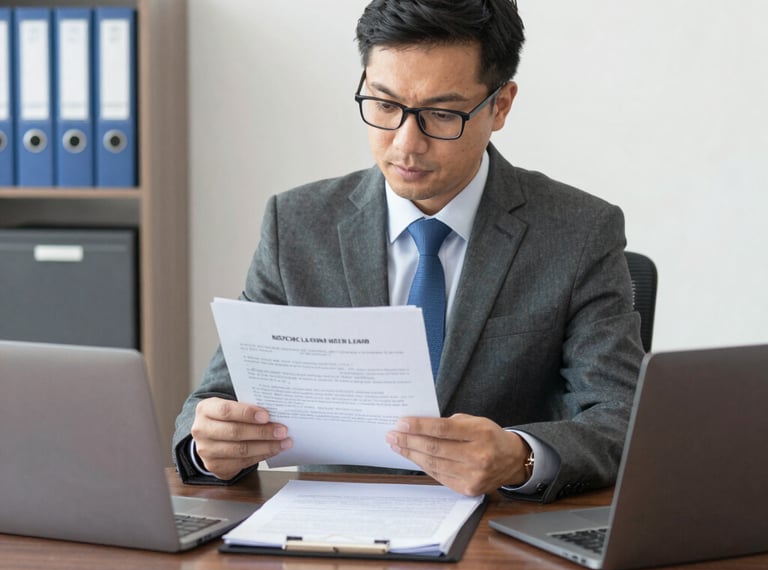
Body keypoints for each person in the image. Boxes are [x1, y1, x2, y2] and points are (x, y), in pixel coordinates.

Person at [173, 0, 644, 503]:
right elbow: (216, 399)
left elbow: (620, 416)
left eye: (441, 114)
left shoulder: (577, 231)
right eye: (384, 105)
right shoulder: (297, 225)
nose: (405, 144)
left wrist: (520, 456)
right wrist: (209, 447)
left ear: (501, 105)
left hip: (499, 536)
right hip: (332, 533)